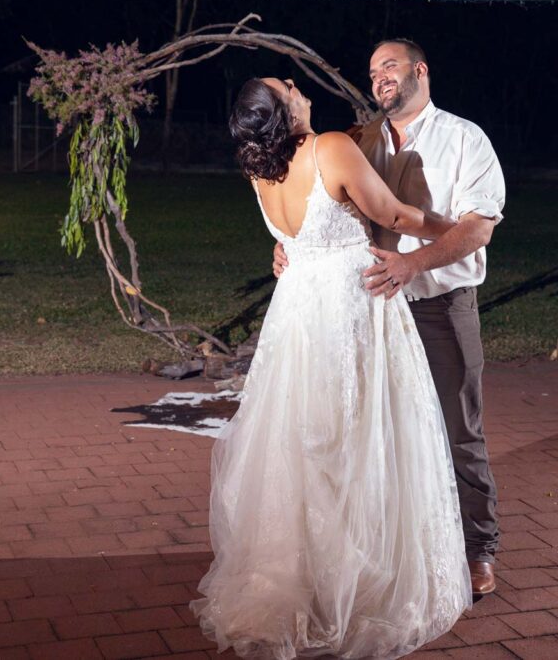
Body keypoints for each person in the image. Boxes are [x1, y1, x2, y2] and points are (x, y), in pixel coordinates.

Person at [190, 76, 471, 660]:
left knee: (305, 445)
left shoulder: (259, 169)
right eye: (284, 85)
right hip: (349, 309)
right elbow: (392, 213)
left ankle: (311, 582)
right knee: (357, 439)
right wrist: (463, 230)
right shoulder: (329, 148)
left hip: (296, 314)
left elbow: (295, 234)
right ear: (282, 110)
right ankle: (359, 585)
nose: (295, 83)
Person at [274, 39, 505, 595]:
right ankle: (399, 549)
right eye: (373, 69)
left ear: (419, 70)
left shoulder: (465, 139)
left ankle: (478, 549)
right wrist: (290, 248)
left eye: (390, 66)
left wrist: (413, 263)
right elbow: (322, 205)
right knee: (379, 434)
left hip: (439, 307)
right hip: (369, 313)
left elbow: (478, 227)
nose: (378, 76)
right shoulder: (357, 141)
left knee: (456, 430)